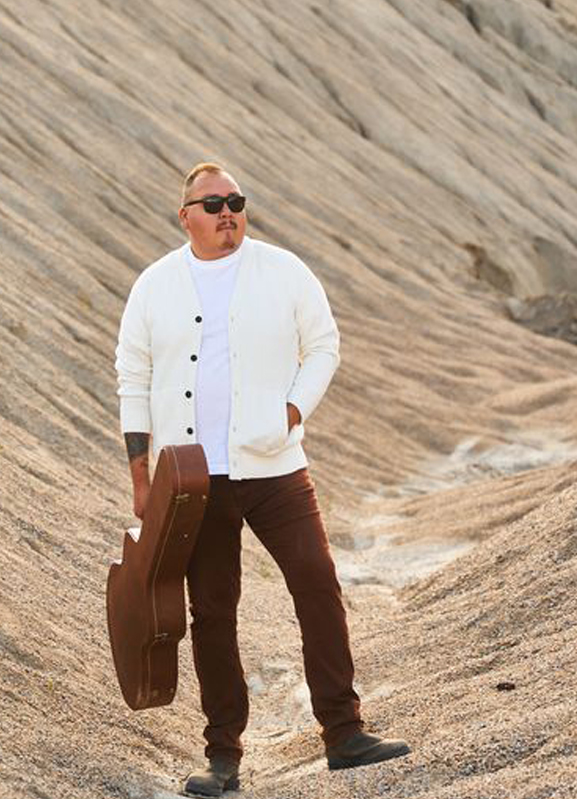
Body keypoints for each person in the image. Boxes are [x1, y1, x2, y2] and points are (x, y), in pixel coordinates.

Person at [114, 162, 409, 797]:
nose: (228, 212)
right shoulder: (155, 286)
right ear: (185, 215)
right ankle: (223, 757)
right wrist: (141, 474)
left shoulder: (285, 271)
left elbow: (324, 345)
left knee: (317, 581)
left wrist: (293, 411)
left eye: (237, 201)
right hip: (192, 481)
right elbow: (132, 379)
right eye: (213, 203)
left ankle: (344, 732)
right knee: (213, 612)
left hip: (275, 466)